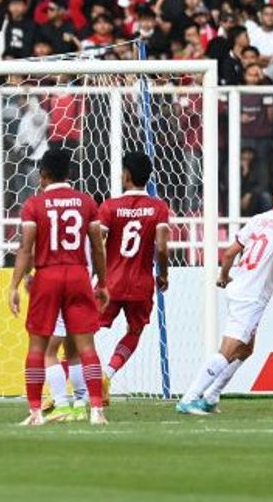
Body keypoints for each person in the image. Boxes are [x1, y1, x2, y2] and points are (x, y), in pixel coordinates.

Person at [177, 175, 273, 415]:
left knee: (245, 349)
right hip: (251, 296)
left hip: (239, 287)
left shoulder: (258, 219)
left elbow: (229, 253)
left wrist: (224, 276)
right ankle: (189, 398)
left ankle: (211, 397)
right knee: (228, 349)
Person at [8, 147, 108, 426]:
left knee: (38, 346)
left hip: (48, 275)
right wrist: (102, 281)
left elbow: (26, 249)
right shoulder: (86, 202)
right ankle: (96, 410)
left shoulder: (34, 204)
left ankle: (36, 412)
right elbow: (98, 247)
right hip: (78, 274)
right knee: (85, 346)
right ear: (69, 173)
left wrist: (15, 284)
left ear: (43, 175)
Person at [93, 152, 171, 394]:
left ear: (126, 175)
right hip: (141, 284)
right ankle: (107, 373)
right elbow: (161, 246)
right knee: (134, 331)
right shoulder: (158, 207)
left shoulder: (109, 207)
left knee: (82, 332)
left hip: (111, 284)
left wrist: (98, 275)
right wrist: (164, 275)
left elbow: (98, 241)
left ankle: (74, 385)